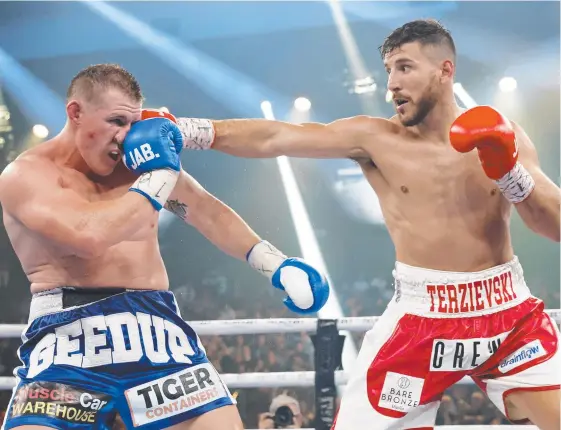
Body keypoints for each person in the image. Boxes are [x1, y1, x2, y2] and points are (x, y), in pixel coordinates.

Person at [161, 19, 561, 430]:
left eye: (404, 67)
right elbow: (276, 136)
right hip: (421, 319)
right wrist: (188, 130)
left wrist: (510, 172)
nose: (392, 84)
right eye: (388, 70)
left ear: (445, 70)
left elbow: (554, 226)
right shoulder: (376, 139)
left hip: (507, 313)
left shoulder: (502, 133)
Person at [0, 64, 330, 430]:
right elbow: (89, 237)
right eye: (115, 121)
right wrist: (161, 174)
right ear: (75, 112)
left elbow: (205, 211)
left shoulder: (135, 164)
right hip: (68, 339)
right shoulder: (27, 175)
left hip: (156, 332)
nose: (126, 136)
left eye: (132, 123)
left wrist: (273, 262)